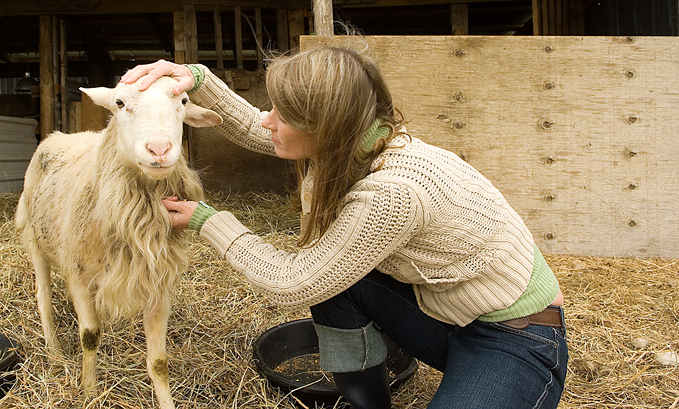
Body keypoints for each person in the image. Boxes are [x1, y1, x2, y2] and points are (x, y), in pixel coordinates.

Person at [120, 46, 568, 409]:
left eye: (283, 114)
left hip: (518, 335)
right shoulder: (353, 143)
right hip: (448, 317)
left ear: (325, 126)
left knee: (318, 278)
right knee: (334, 282)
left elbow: (292, 283)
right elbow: (260, 133)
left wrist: (209, 221)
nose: (266, 119)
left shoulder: (393, 192)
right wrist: (196, 78)